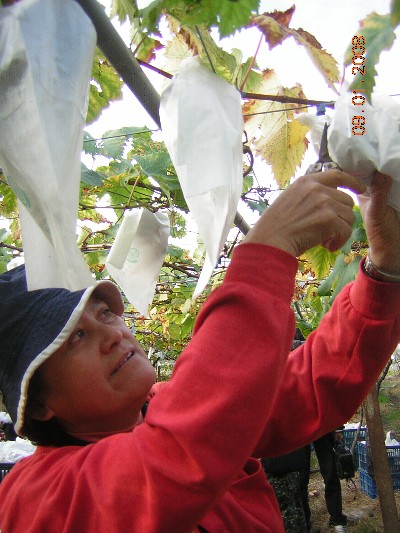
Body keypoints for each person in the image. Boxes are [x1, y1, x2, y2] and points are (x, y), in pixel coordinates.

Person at [1, 170, 400, 532]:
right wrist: (268, 251)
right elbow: (173, 458)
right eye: (74, 338)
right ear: (37, 405)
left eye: (105, 312)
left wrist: (385, 269)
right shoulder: (32, 500)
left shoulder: (165, 409)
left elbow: (308, 386)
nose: (112, 335)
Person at [301, 433, 347, 533]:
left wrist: (338, 428)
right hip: (300, 427)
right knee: (302, 477)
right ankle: (305, 523)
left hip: (322, 427)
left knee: (330, 472)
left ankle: (336, 519)